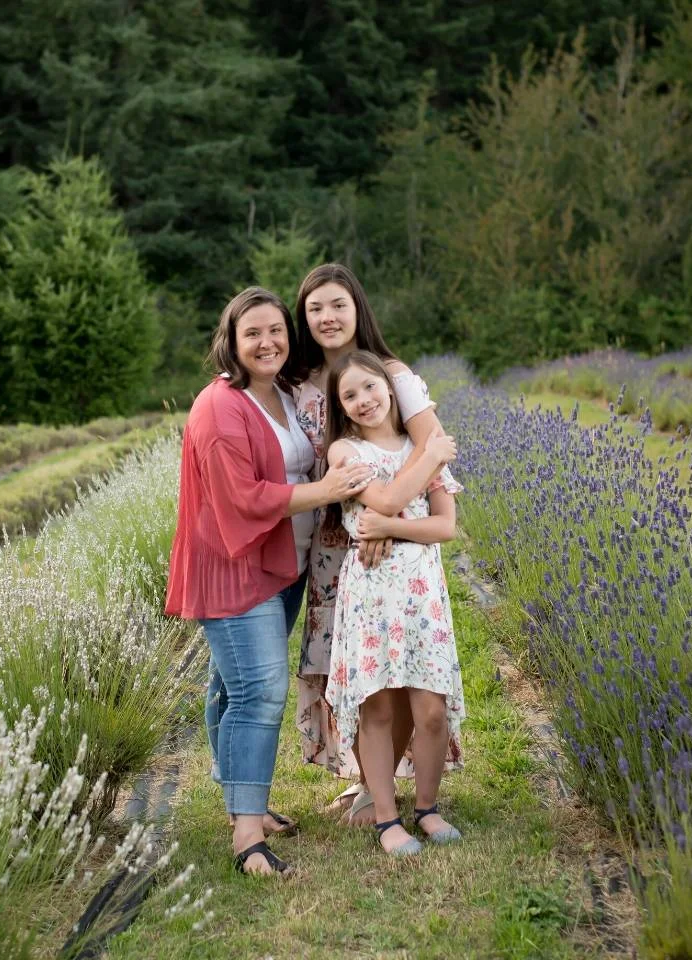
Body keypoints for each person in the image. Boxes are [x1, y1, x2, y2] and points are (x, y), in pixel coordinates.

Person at [165, 287, 382, 877]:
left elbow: (322, 449)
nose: (268, 342)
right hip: (236, 569)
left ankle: (244, 799)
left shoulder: (285, 393)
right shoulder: (221, 406)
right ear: (231, 341)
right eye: (253, 333)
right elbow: (240, 499)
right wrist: (327, 492)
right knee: (260, 693)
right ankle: (246, 835)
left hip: (282, 566)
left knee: (231, 688)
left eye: (277, 331)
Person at [292, 262, 459, 824]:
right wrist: (365, 514)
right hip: (336, 537)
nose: (328, 317)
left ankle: (391, 787)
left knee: (401, 667)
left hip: (392, 537)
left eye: (338, 304)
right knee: (359, 667)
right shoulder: (306, 378)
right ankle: (372, 784)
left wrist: (384, 513)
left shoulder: (392, 374)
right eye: (315, 308)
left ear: (357, 307)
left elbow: (430, 442)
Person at [323, 351, 466, 855]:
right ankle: (387, 817)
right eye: (350, 395)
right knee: (378, 707)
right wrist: (429, 456)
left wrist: (391, 527)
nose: (364, 401)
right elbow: (381, 499)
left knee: (430, 708)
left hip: (421, 589)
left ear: (390, 387)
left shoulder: (417, 443)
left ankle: (426, 807)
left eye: (370, 388)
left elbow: (445, 525)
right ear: (340, 407)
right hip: (372, 593)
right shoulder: (345, 451)